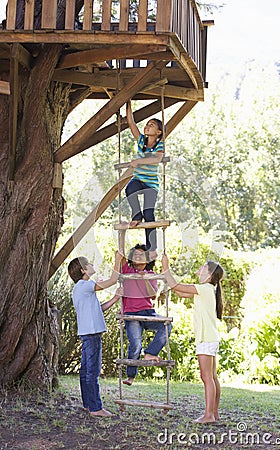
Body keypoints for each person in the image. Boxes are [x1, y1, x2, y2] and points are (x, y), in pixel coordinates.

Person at [162, 254, 224, 423]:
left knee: (207, 377)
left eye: (203, 267)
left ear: (210, 274)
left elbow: (175, 284)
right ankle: (214, 413)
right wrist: (168, 277)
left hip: (206, 339)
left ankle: (209, 415)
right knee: (212, 376)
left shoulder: (203, 288)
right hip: (210, 338)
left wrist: (166, 267)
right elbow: (179, 292)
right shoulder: (206, 290)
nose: (200, 269)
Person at [68, 252, 122, 417]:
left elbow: (100, 309)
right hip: (91, 334)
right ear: (83, 270)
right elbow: (112, 281)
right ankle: (96, 408)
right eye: (89, 264)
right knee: (93, 371)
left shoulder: (81, 289)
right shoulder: (84, 285)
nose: (92, 265)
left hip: (88, 334)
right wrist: (117, 261)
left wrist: (115, 298)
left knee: (86, 371)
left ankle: (88, 404)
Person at [121, 244, 172, 386]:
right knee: (135, 344)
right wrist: (123, 232)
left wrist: (144, 279)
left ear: (147, 259)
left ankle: (150, 352)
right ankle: (131, 376)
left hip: (147, 311)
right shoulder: (127, 271)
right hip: (131, 313)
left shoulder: (151, 274)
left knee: (167, 326)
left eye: (141, 255)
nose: (138, 257)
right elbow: (120, 253)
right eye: (135, 255)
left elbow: (153, 295)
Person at [125, 100, 164, 260]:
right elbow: (131, 122)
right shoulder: (141, 140)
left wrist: (138, 161)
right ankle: (136, 215)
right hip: (139, 179)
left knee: (149, 214)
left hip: (151, 184)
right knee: (129, 189)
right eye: (147, 124)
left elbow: (157, 159)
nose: (147, 126)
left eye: (152, 125)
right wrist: (127, 102)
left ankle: (152, 247)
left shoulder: (159, 145)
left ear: (159, 132)